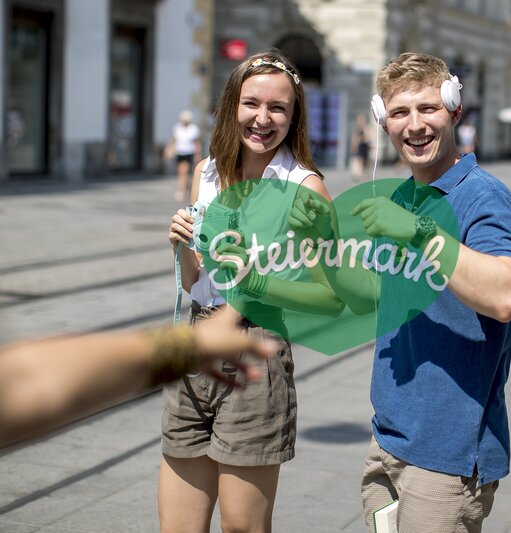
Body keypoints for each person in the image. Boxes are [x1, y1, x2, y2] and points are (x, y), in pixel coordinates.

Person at [0, 26, 276, 532]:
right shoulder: (207, 172)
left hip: (241, 346)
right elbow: (19, 384)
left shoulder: (297, 184)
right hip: (204, 335)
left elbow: (18, 383)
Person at [294, 52, 511, 533]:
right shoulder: (402, 197)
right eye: (400, 113)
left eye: (428, 109)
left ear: (455, 110)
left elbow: (504, 294)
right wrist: (321, 245)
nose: (415, 125)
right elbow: (370, 296)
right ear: (383, 121)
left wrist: (418, 233)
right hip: (390, 439)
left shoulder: (484, 196)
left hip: (447, 453)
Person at [162, 50, 343, 533]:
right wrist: (181, 244)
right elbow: (192, 281)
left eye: (278, 108)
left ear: (293, 116)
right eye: (251, 103)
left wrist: (259, 281)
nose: (263, 118)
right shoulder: (207, 172)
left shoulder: (305, 188)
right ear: (232, 105)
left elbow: (331, 298)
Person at [164, 110, 202, 202]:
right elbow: (173, 140)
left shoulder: (193, 128)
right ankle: (184, 189)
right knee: (182, 171)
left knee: (186, 172)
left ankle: (183, 189)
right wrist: (169, 150)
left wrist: (198, 154)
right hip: (180, 152)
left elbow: (197, 142)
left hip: (189, 152)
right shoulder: (177, 127)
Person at [350, 113, 373, 181]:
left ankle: (366, 174)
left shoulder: (366, 128)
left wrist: (362, 139)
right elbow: (354, 138)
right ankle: (356, 174)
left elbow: (368, 137)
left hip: (365, 146)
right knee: (359, 160)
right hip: (360, 147)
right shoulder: (357, 129)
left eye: (361, 120)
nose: (360, 121)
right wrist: (353, 145)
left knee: (365, 161)